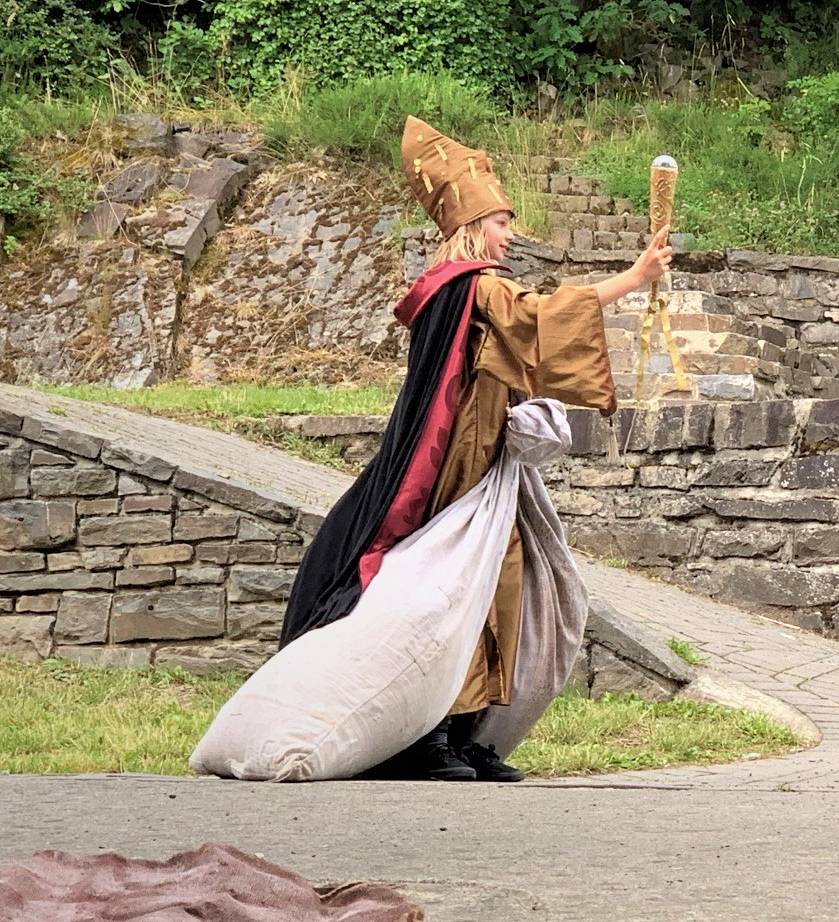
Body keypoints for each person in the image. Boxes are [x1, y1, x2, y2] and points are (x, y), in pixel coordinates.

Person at [278, 116, 671, 782]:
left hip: (483, 466)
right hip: (449, 467)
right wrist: (634, 277)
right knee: (448, 591)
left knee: (498, 584)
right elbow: (543, 316)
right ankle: (423, 736)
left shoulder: (463, 287)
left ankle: (467, 733)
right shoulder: (473, 284)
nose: (510, 233)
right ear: (472, 226)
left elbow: (517, 353)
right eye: (501, 223)